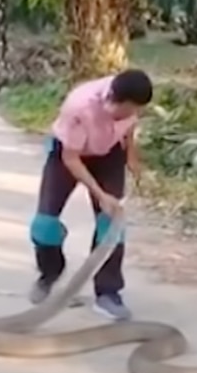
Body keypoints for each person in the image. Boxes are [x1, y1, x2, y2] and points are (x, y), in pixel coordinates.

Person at [29, 69, 153, 321]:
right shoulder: (79, 106)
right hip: (68, 156)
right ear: (114, 101)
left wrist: (131, 155)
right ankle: (50, 272)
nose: (133, 114)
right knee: (44, 225)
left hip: (108, 155)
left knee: (111, 224)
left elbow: (129, 127)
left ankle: (108, 292)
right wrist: (100, 194)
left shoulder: (128, 96)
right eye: (128, 110)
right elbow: (71, 159)